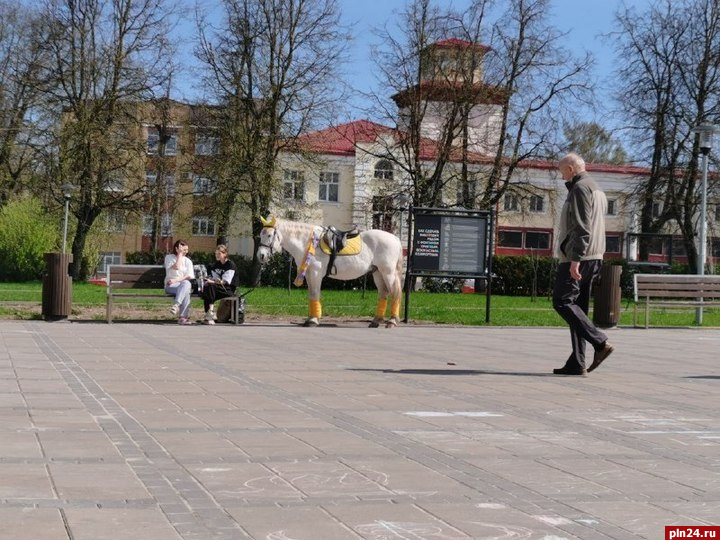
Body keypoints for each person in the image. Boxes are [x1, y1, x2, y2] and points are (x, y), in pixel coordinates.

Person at [552, 153, 614, 376]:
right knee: (578, 309)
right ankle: (577, 362)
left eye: (562, 173)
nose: (562, 178)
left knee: (562, 301)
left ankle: (599, 342)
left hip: (578, 257)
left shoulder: (580, 188)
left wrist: (575, 260)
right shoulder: (597, 189)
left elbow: (582, 227)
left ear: (570, 169)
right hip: (595, 256)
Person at [201, 244, 238, 325]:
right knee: (208, 286)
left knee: (210, 287)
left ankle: (209, 314)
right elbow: (215, 279)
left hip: (228, 289)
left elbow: (225, 282)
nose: (217, 255)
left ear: (225, 254)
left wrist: (215, 281)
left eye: (219, 254)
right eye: (216, 254)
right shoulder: (216, 265)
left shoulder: (230, 265)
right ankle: (209, 315)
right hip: (217, 287)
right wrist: (209, 280)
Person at [164, 240, 195, 325]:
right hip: (170, 286)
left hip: (181, 284)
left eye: (186, 250)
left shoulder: (188, 261)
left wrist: (176, 280)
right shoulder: (169, 258)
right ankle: (182, 317)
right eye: (183, 250)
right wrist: (180, 254)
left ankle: (176, 305)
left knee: (186, 284)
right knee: (186, 289)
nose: (186, 252)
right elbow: (176, 267)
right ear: (176, 249)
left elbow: (189, 276)